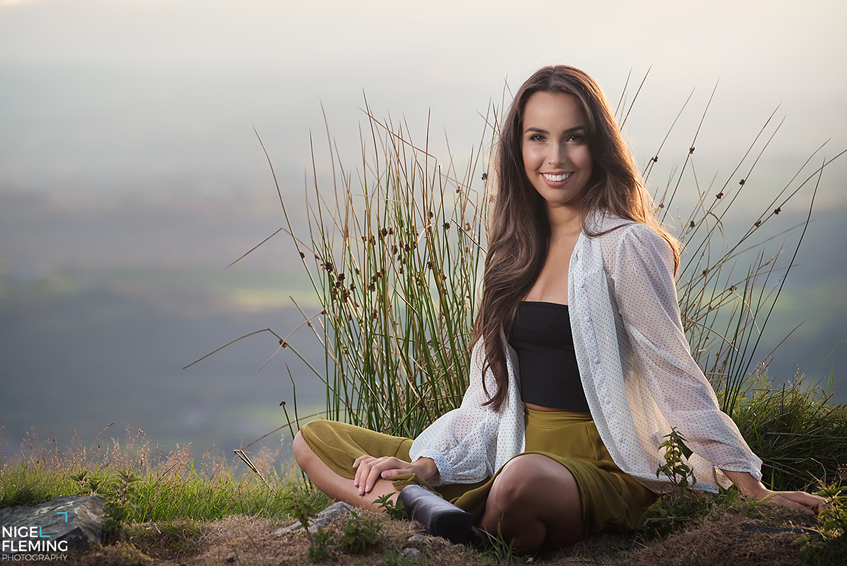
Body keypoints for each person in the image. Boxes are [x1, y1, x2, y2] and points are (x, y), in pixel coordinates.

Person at [292, 65, 827, 553]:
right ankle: (452, 516)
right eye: (538, 138)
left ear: (598, 148)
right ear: (518, 149)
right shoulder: (510, 252)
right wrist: (427, 463)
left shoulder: (627, 245)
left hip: (598, 464)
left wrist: (751, 488)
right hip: (504, 445)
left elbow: (675, 373)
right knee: (313, 440)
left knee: (521, 483)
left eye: (574, 138)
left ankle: (440, 517)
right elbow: (485, 401)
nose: (556, 157)